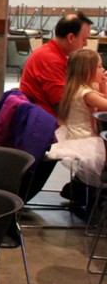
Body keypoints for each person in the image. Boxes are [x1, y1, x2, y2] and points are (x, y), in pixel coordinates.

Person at [48, 50, 107, 197]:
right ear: (88, 71)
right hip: (83, 137)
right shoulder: (87, 93)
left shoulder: (76, 88)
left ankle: (80, 187)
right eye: (99, 67)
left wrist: (103, 84)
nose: (103, 69)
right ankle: (88, 191)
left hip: (72, 134)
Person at [19, 11, 92, 116]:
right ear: (71, 38)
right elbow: (62, 107)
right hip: (43, 121)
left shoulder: (54, 53)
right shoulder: (50, 60)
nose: (85, 44)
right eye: (84, 39)